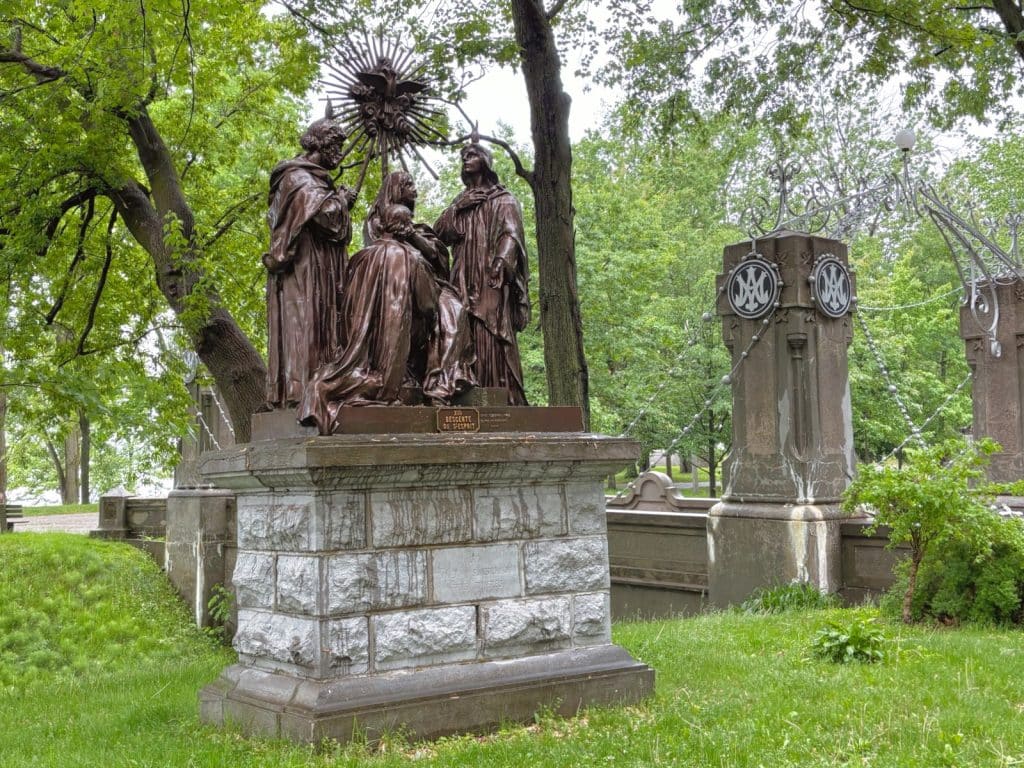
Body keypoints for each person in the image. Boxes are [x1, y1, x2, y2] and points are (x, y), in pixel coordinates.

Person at [298, 204, 440, 433]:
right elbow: (428, 305)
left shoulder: (359, 258)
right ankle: (432, 387)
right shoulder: (412, 259)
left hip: (360, 341)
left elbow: (343, 299)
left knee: (354, 374)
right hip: (392, 347)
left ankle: (324, 389)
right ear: (405, 229)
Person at [263, 116, 354, 409]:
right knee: (307, 324)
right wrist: (341, 200)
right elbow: (326, 217)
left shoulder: (310, 178)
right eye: (336, 145)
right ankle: (302, 391)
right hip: (305, 268)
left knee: (321, 324)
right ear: (321, 143)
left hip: (320, 265)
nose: (340, 153)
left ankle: (318, 389)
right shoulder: (297, 177)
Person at [364, 171, 476, 404]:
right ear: (396, 189)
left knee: (453, 310)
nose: (415, 190)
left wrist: (412, 236)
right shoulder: (376, 224)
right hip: (395, 285)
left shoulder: (415, 229)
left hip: (429, 284)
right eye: (409, 185)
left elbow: (436, 255)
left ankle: (440, 383)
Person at [435, 142, 530, 405]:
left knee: (491, 327)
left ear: (486, 161)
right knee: (461, 324)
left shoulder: (504, 199)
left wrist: (502, 260)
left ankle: (499, 393)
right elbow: (439, 234)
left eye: (473, 154)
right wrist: (458, 207)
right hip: (463, 275)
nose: (466, 158)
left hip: (491, 276)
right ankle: (466, 387)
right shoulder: (461, 201)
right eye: (463, 156)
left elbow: (512, 234)